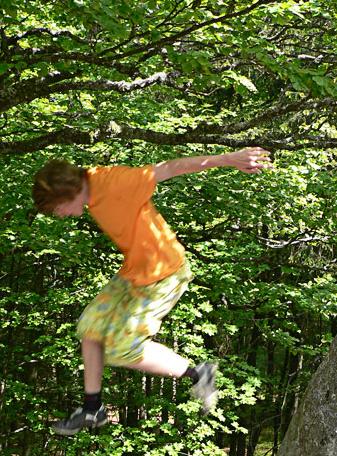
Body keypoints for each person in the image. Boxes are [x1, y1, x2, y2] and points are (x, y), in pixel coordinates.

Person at [32, 147, 271, 435]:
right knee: (89, 327)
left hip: (164, 273)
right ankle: (92, 408)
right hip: (134, 272)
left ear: (69, 193)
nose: (59, 216)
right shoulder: (88, 186)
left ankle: (199, 374)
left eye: (57, 209)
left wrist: (228, 160)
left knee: (121, 349)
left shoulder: (115, 182)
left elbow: (168, 168)